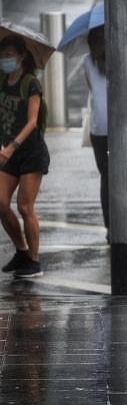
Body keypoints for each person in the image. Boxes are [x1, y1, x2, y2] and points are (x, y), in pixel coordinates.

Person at [84, 28, 127, 240]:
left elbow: (93, 89)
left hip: (99, 128)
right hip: (125, 125)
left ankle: (111, 227)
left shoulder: (88, 61)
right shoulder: (124, 60)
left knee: (107, 177)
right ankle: (122, 215)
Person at [0, 36, 49, 278]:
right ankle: (21, 250)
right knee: (0, 201)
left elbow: (32, 122)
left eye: (9, 54)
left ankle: (34, 260)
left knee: (25, 206)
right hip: (9, 151)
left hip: (30, 152)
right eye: (2, 55)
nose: (5, 59)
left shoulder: (31, 84)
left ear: (21, 56)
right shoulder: (2, 81)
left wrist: (12, 146)